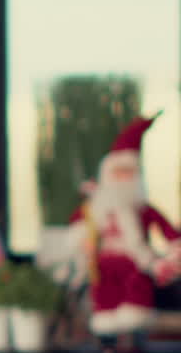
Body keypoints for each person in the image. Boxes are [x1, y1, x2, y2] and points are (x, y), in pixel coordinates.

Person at [65, 114, 181, 338]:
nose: (122, 178)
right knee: (104, 298)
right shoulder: (94, 208)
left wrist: (174, 251)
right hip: (102, 266)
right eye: (118, 172)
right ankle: (109, 331)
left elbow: (169, 232)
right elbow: (77, 227)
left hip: (136, 263)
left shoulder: (143, 209)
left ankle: (132, 332)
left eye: (128, 173)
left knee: (136, 291)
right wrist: (82, 240)